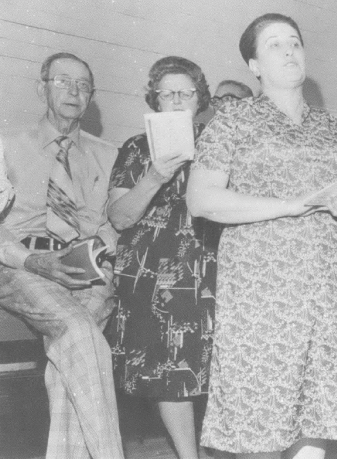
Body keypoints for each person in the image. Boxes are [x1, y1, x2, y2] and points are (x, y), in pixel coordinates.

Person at [187, 13, 337, 459]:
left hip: (324, 290)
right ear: (253, 64)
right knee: (261, 426)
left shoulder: (332, 127)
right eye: (274, 45)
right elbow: (202, 200)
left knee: (317, 423)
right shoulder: (233, 121)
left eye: (294, 42)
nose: (289, 51)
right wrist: (288, 206)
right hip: (261, 294)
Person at [0, 52, 124, 458]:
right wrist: (34, 262)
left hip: (87, 269)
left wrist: (97, 251)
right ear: (42, 88)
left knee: (74, 349)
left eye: (83, 85)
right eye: (62, 81)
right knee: (81, 333)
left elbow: (116, 221)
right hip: (23, 266)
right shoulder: (5, 146)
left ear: (91, 96)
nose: (74, 91)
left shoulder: (109, 154)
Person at [108, 56, 218, 459]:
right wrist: (155, 175)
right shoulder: (136, 148)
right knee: (170, 370)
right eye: (167, 93)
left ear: (199, 98)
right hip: (154, 272)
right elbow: (120, 217)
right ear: (154, 100)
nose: (176, 101)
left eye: (185, 93)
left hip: (213, 265)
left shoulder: (221, 142)